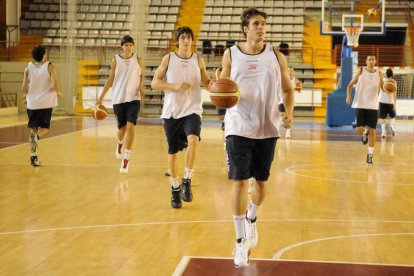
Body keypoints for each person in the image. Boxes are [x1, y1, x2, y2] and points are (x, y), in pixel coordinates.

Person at [219, 8, 294, 267]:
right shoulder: (231, 54)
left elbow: (287, 89)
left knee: (260, 183)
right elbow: (221, 88)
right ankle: (240, 241)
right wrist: (220, 103)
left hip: (267, 126)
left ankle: (252, 216)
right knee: (239, 181)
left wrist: (289, 112)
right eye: (256, 24)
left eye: (263, 24)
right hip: (238, 125)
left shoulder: (276, 56)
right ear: (245, 29)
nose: (261, 28)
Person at [151, 26, 213, 209]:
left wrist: (216, 85)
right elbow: (154, 83)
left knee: (193, 140)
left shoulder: (198, 59)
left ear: (192, 41)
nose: (186, 40)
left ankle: (187, 179)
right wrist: (174, 86)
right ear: (177, 41)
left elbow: (207, 83)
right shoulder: (169, 58)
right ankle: (175, 189)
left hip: (192, 110)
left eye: (188, 37)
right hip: (172, 112)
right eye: (182, 37)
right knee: (172, 153)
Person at [97, 35, 144, 173]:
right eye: (126, 45)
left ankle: (126, 159)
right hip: (118, 99)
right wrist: (101, 97)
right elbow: (110, 79)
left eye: (130, 45)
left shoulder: (138, 60)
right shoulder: (115, 61)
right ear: (122, 47)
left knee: (130, 127)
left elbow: (141, 76)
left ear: (133, 46)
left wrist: (141, 87)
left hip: (134, 98)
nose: (128, 47)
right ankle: (119, 143)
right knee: (122, 130)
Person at [21, 45, 62, 167]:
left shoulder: (27, 68)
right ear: (44, 55)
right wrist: (59, 92)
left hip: (32, 104)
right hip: (45, 103)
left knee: (33, 129)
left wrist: (26, 97)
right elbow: (55, 84)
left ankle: (33, 157)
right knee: (44, 128)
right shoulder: (50, 66)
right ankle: (37, 137)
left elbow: (23, 88)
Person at [346, 55, 384, 165]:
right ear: (366, 61)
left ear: (375, 61)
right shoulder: (361, 71)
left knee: (373, 131)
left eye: (373, 59)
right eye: (369, 59)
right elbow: (350, 85)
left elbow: (383, 88)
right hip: (361, 104)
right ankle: (364, 132)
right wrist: (348, 96)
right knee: (359, 129)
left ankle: (370, 155)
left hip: (373, 105)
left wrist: (389, 89)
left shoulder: (379, 73)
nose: (371, 61)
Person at [278, 67, 301, 139]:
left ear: (292, 71)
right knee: (281, 115)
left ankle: (288, 132)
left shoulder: (295, 80)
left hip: (290, 101)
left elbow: (299, 89)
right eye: (288, 70)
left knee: (289, 117)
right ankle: (278, 131)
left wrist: (296, 87)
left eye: (291, 70)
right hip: (281, 100)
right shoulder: (282, 79)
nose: (289, 71)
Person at [378, 68, 397, 138]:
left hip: (382, 101)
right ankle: (391, 126)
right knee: (393, 116)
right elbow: (395, 94)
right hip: (390, 101)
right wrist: (395, 104)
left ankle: (383, 132)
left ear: (386, 74)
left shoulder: (382, 80)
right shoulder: (394, 82)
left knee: (383, 118)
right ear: (392, 74)